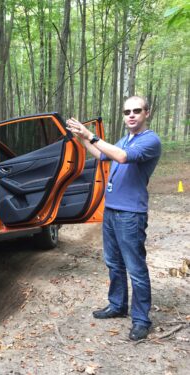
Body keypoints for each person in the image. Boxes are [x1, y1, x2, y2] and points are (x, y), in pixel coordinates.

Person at [66, 96, 161, 341]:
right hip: (111, 210)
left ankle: (141, 320)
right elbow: (101, 155)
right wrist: (82, 137)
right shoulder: (124, 139)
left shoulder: (150, 140)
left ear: (146, 113)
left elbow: (120, 157)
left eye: (136, 111)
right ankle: (117, 305)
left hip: (131, 214)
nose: (131, 115)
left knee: (135, 268)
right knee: (113, 262)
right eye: (126, 111)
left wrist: (92, 134)